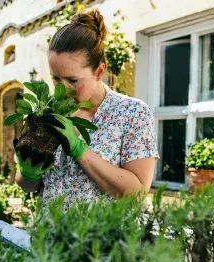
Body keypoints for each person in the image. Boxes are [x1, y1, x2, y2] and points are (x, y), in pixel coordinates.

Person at [15, 8, 159, 209]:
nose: (62, 89)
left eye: (72, 80)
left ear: (99, 71)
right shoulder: (48, 114)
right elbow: (28, 187)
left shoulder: (132, 113)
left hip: (103, 239)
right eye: (56, 78)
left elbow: (136, 193)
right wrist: (29, 170)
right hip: (48, 238)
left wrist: (78, 149)